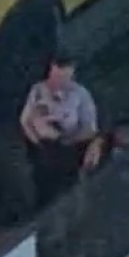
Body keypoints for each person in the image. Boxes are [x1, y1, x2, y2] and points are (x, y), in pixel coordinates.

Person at [19, 54, 101, 208]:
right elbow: (25, 121)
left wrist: (66, 140)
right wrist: (37, 143)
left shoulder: (80, 96)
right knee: (45, 189)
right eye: (55, 76)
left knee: (69, 191)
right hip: (44, 150)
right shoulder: (38, 90)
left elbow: (90, 129)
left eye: (63, 78)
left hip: (70, 149)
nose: (57, 83)